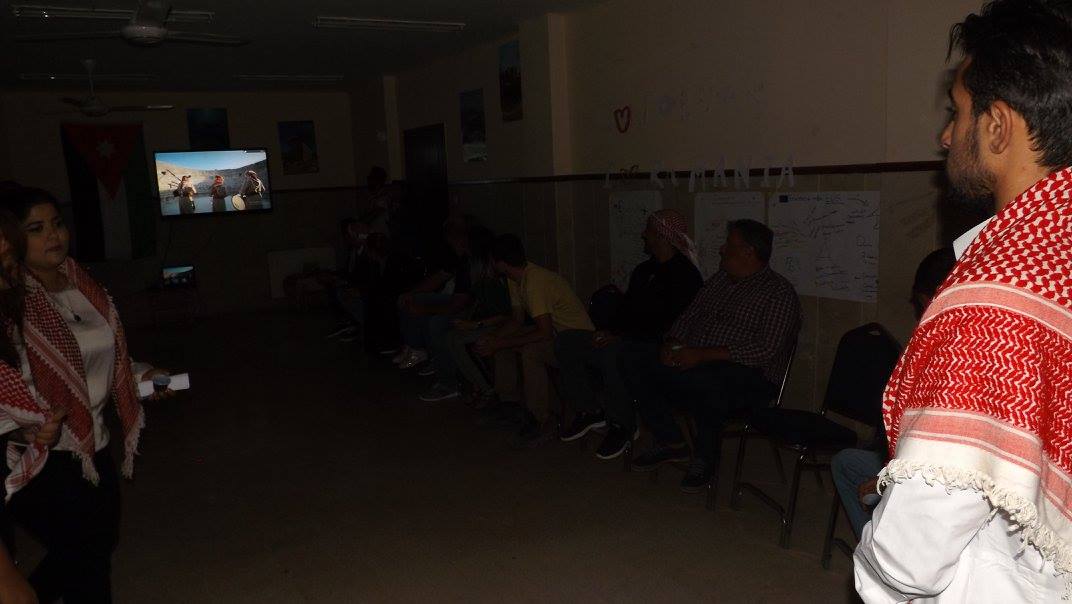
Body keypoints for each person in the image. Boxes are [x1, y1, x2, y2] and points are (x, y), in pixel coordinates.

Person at [854, 2, 1072, 601]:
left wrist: (876, 565)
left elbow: (914, 555)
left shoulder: (997, 300)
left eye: (957, 112)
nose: (945, 135)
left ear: (997, 126)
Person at [0, 185, 168, 603]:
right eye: (36, 229)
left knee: (96, 546)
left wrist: (144, 375)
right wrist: (23, 426)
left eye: (57, 223)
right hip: (42, 452)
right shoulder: (11, 300)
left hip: (94, 444)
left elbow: (106, 358)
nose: (53, 235)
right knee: (84, 552)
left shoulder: (84, 286)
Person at [626, 219, 800, 493]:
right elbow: (688, 318)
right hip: (697, 361)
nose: (721, 249)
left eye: (729, 244)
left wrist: (702, 355)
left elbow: (766, 349)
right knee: (639, 360)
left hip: (751, 375)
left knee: (710, 381)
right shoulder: (719, 280)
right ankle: (671, 440)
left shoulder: (778, 293)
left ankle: (705, 457)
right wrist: (671, 345)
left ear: (748, 252)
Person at [555, 209, 703, 459]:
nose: (643, 235)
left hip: (656, 345)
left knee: (616, 353)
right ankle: (590, 411)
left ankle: (622, 424)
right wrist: (609, 330)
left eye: (649, 231)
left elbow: (667, 324)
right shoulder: (644, 270)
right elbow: (627, 310)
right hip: (626, 335)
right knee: (566, 341)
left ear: (662, 236)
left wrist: (620, 336)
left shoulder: (685, 275)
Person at [830, 248, 954, 539]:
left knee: (857, 471)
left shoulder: (952, 351)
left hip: (937, 472)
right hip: (918, 459)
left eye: (923, 305)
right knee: (848, 461)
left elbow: (934, 448)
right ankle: (876, 543)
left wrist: (886, 478)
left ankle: (880, 551)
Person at [474, 234, 595, 447]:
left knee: (531, 351)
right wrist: (494, 339)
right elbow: (517, 320)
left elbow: (544, 333)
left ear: (500, 262)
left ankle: (542, 419)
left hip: (576, 344)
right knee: (505, 342)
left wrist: (500, 342)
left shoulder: (535, 282)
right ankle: (509, 403)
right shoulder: (515, 278)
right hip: (557, 336)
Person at [418, 226, 511, 403]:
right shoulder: (478, 278)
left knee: (461, 340)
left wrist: (475, 324)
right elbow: (475, 304)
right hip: (485, 321)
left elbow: (506, 315)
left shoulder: (494, 280)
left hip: (498, 324)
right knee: (451, 336)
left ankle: (487, 389)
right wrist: (468, 321)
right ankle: (479, 385)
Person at [393, 220, 475, 370]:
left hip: (467, 307)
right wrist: (411, 293)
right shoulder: (457, 258)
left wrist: (425, 310)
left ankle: (439, 365)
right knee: (411, 299)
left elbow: (460, 302)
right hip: (452, 299)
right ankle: (414, 347)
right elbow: (439, 277)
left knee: (435, 322)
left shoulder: (471, 262)